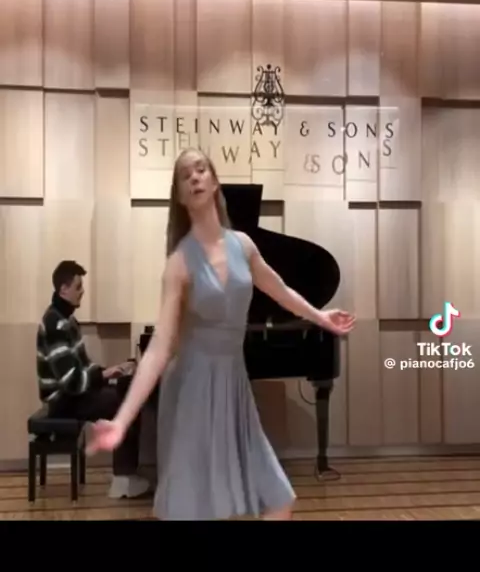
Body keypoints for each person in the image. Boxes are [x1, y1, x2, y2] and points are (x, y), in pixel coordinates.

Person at [87, 148, 355, 520]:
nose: (195, 177)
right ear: (180, 196)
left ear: (214, 183)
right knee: (193, 507)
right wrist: (121, 421)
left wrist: (320, 317)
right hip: (192, 387)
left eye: (201, 170)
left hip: (233, 384)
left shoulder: (243, 245)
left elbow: (281, 292)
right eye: (186, 175)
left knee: (280, 498)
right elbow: (160, 347)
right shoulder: (179, 263)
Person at [36, 259, 150, 499]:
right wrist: (104, 375)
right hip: (62, 401)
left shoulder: (68, 319)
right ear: (63, 289)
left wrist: (110, 372)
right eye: (78, 287)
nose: (83, 292)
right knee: (123, 404)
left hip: (72, 395)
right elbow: (71, 381)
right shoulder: (55, 323)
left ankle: (126, 475)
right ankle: (123, 479)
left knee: (122, 392)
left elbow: (84, 368)